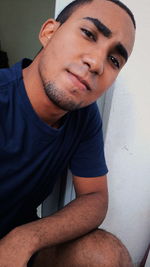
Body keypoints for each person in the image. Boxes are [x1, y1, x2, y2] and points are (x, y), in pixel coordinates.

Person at [0, 0, 135, 266]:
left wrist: (26, 238)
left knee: (105, 255)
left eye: (114, 59)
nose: (96, 63)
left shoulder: (84, 118)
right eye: (88, 34)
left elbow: (95, 198)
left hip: (18, 237)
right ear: (49, 32)